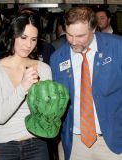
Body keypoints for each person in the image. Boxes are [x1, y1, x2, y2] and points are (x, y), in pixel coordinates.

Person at [50, 6, 122, 160]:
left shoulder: (117, 47)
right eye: (69, 35)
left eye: (80, 35)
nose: (73, 41)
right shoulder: (57, 58)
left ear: (94, 28)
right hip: (75, 143)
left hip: (114, 142)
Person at [0, 12, 52, 160]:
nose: (28, 45)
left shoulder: (44, 68)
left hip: (38, 143)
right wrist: (23, 87)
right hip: (4, 146)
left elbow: (47, 115)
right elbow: (0, 116)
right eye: (23, 37)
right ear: (13, 35)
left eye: (33, 39)